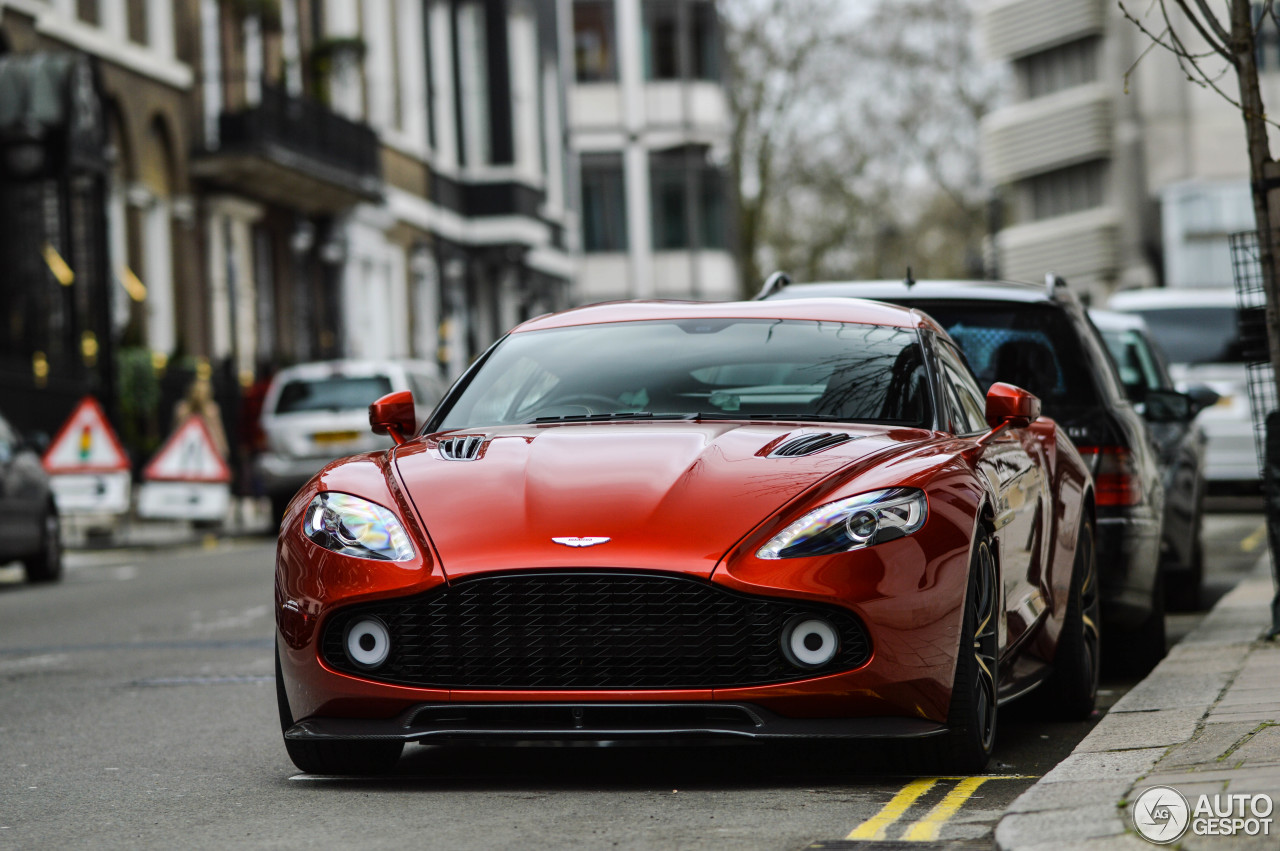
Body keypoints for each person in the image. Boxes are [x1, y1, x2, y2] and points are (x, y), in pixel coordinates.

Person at [175, 376, 230, 461]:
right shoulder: (182, 409)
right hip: (185, 452)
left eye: (202, 392)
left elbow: (218, 433)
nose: (199, 396)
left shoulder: (212, 411)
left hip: (207, 454)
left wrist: (223, 450)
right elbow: (175, 435)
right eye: (197, 392)